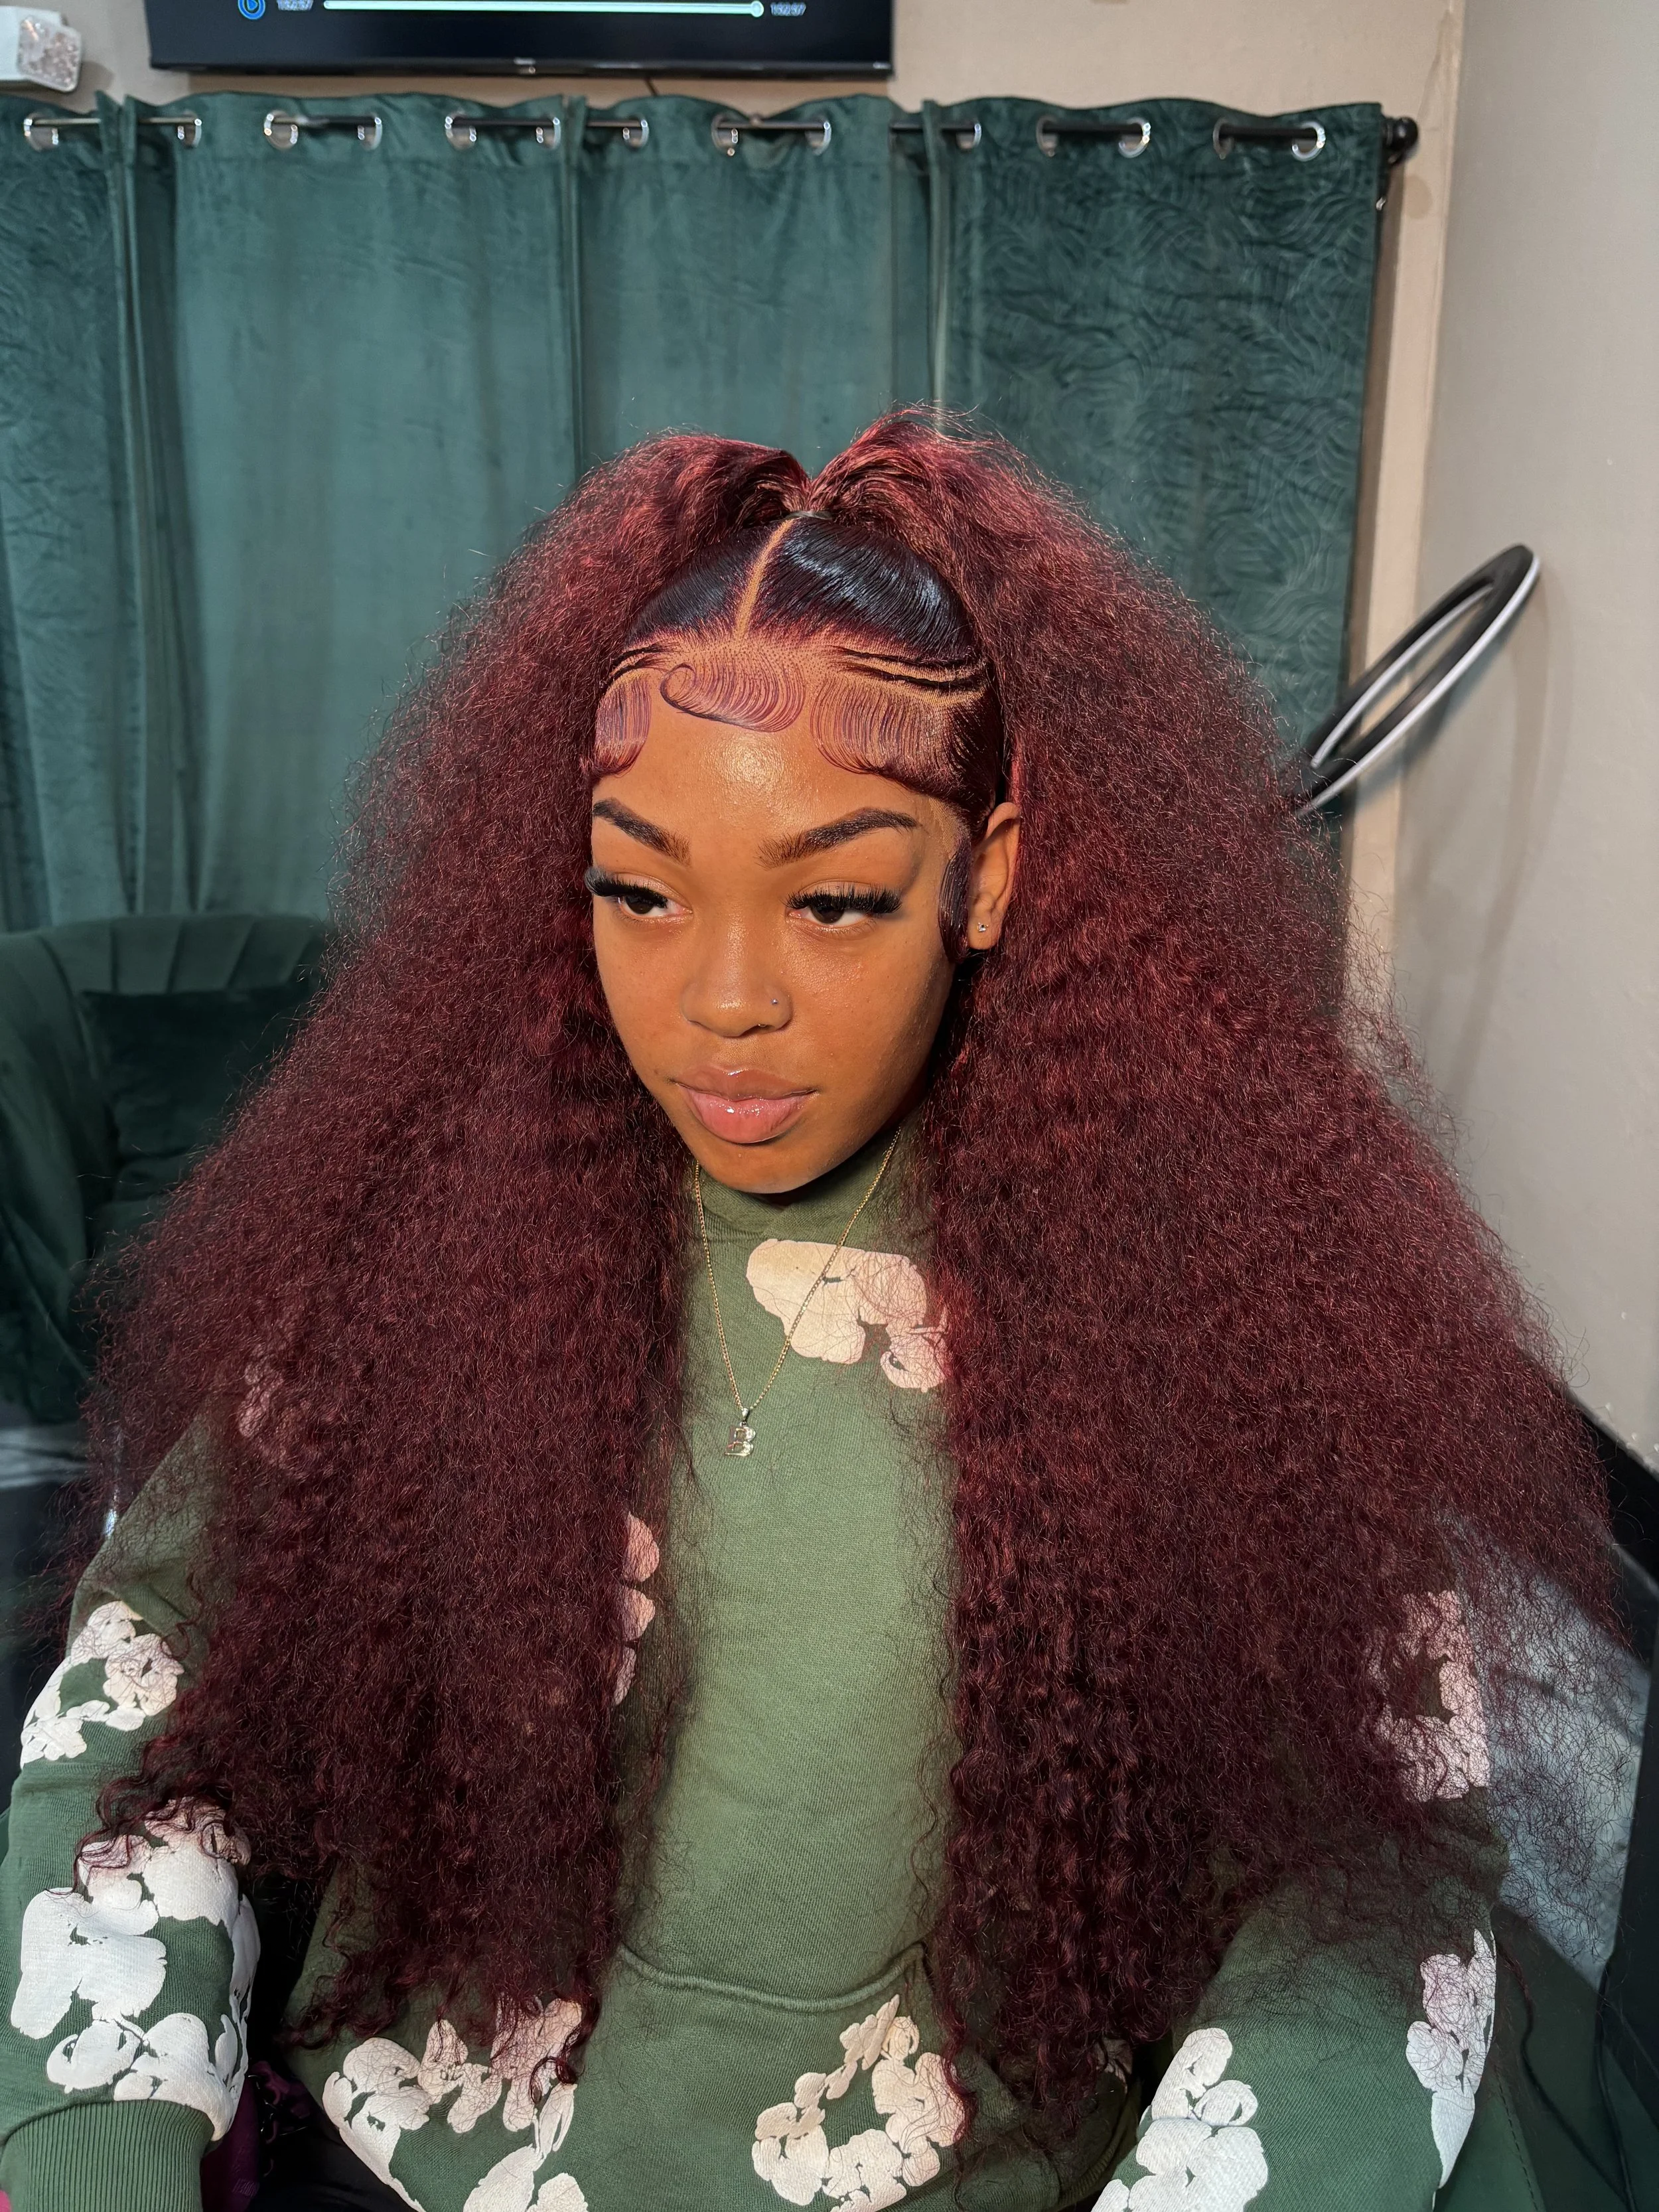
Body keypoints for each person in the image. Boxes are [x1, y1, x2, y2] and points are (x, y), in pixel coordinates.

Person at [0, 417, 1612, 2212]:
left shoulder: (1200, 1316)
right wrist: (98, 2149)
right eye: (637, 889)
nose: (724, 999)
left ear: (982, 874)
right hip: (414, 2157)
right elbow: (150, 1679)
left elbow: (1377, 1870)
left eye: (835, 897)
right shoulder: (422, 1250)